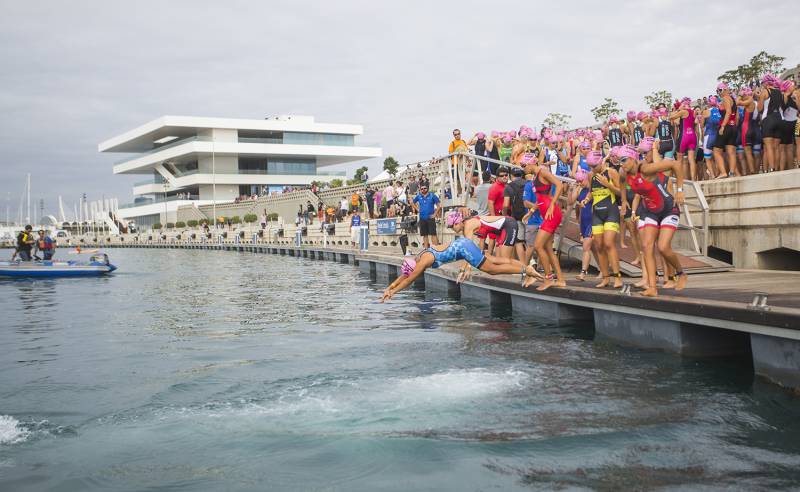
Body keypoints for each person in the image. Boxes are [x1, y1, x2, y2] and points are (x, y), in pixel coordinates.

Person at [379, 236, 543, 302]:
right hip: (462, 243)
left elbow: (409, 279)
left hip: (463, 249)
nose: (414, 272)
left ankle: (526, 271)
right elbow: (405, 276)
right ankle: (526, 268)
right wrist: (389, 288)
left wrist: (394, 293)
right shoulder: (419, 257)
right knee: (494, 260)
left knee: (491, 269)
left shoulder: (423, 261)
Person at [620, 141, 687, 298]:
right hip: (650, 210)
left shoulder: (646, 169)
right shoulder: (624, 173)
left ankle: (681, 273)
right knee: (647, 247)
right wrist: (623, 201)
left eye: (624, 160)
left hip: (668, 209)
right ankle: (652, 287)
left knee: (663, 247)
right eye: (619, 160)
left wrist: (679, 190)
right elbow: (622, 184)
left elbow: (676, 165)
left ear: (633, 158)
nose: (621, 164)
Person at [587, 150, 623, 288]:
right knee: (599, 246)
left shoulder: (611, 172)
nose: (592, 169)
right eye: (590, 166)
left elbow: (620, 192)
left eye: (594, 166)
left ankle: (617, 277)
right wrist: (586, 199)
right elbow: (591, 192)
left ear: (601, 162)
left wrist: (607, 184)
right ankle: (606, 277)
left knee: (609, 244)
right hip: (597, 213)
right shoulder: (591, 175)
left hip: (611, 211)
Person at [571, 169, 594, 281]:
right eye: (577, 181)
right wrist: (574, 188)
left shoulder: (592, 189)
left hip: (592, 221)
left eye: (581, 181)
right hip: (584, 221)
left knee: (586, 247)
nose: (579, 183)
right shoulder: (580, 188)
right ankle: (603, 271)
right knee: (595, 249)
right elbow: (570, 202)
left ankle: (583, 273)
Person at [412, 183, 440, 249]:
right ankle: (426, 250)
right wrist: (417, 209)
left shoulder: (432, 195)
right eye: (421, 189)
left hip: (430, 218)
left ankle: (436, 250)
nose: (423, 190)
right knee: (425, 235)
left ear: (427, 189)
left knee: (433, 234)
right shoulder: (419, 196)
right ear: (420, 190)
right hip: (422, 218)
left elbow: (439, 206)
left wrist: (435, 214)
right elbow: (412, 203)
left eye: (425, 188)